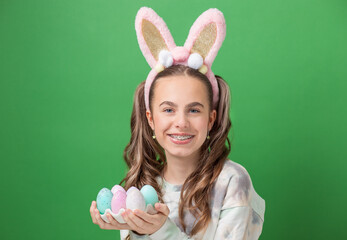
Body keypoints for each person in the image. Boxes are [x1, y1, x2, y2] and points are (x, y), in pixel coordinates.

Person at [90, 7, 265, 240]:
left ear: (211, 119)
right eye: (169, 110)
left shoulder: (232, 181)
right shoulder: (142, 191)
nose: (181, 122)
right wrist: (135, 230)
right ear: (150, 119)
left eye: (194, 110)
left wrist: (160, 230)